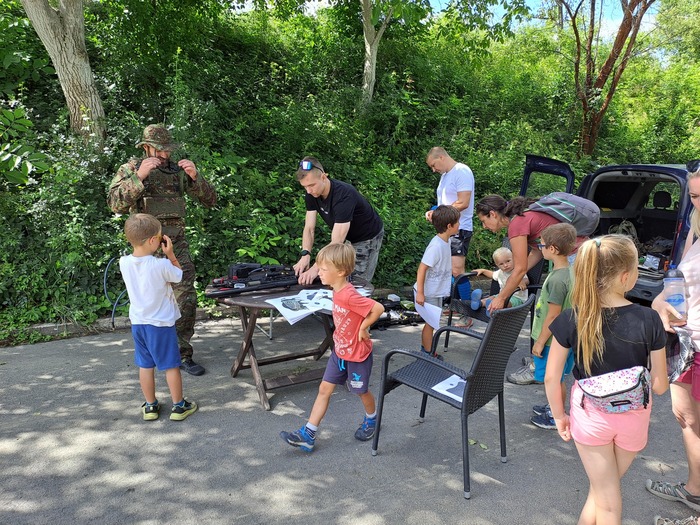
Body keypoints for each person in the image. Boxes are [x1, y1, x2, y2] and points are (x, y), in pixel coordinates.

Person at [546, 234, 668, 525]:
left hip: (590, 417)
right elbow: (660, 386)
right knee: (604, 496)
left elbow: (551, 377)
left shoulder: (571, 318)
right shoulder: (650, 319)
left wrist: (559, 416)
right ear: (626, 276)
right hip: (633, 419)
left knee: (603, 494)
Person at [108, 124, 217, 377]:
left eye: (168, 150)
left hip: (175, 247)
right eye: (159, 150)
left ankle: (181, 355)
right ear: (146, 147)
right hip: (145, 250)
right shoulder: (131, 168)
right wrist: (139, 177)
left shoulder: (177, 171)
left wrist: (196, 178)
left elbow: (211, 200)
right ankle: (151, 354)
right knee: (148, 303)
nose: (165, 155)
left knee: (185, 299)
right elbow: (115, 204)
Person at [280, 243, 385, 452]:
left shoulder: (349, 295)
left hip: (357, 355)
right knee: (324, 390)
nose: (319, 273)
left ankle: (372, 420)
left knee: (361, 392)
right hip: (340, 352)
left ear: (341, 272)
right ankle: (308, 434)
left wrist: (363, 328)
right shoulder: (336, 290)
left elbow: (378, 308)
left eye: (323, 269)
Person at [646, 160, 700, 516]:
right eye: (694, 196)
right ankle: (694, 491)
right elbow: (677, 278)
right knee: (686, 418)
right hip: (687, 342)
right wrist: (660, 301)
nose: (699, 203)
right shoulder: (696, 230)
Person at [119, 213, 198, 422]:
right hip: (160, 324)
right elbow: (179, 276)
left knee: (145, 365)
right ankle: (179, 405)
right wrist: (171, 255)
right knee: (171, 365)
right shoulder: (161, 265)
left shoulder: (124, 262)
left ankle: (151, 405)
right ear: (153, 240)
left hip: (139, 323)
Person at [509, 224, 576, 431]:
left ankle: (556, 416)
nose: (540, 248)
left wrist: (539, 342)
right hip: (564, 338)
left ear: (553, 249)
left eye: (542, 245)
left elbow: (553, 315)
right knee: (558, 377)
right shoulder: (570, 272)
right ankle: (553, 408)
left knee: (553, 379)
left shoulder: (556, 280)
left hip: (551, 340)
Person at [292, 157, 384, 286]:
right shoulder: (311, 194)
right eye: (305, 186)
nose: (308, 191)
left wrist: (315, 268)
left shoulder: (344, 195)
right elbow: (309, 228)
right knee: (339, 276)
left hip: (367, 236)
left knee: (357, 283)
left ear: (324, 177)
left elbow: (336, 242)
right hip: (347, 237)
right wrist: (305, 254)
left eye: (312, 185)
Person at [414, 205, 461, 357]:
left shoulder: (446, 240)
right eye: (457, 222)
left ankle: (427, 351)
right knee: (431, 324)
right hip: (429, 292)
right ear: (449, 226)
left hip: (436, 290)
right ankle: (428, 354)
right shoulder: (436, 246)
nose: (459, 225)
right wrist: (420, 293)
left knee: (432, 322)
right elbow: (422, 269)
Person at [425, 147, 475, 277]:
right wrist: (434, 211)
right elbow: (445, 202)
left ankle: (465, 292)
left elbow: (463, 202)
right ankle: (450, 291)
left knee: (457, 270)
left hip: (459, 227)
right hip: (446, 228)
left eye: (433, 165)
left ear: (441, 157)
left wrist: (439, 214)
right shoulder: (445, 176)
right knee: (446, 269)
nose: (433, 170)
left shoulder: (461, 171)